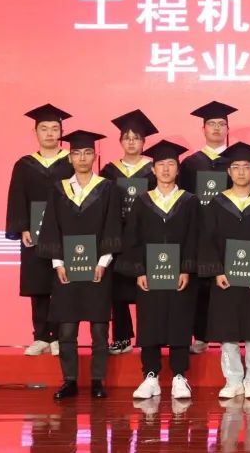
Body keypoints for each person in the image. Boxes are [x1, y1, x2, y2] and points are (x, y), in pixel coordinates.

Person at [37, 130, 122, 399]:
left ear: (95, 156)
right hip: (67, 269)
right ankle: (70, 381)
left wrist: (104, 262)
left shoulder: (107, 188)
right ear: (70, 158)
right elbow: (52, 226)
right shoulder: (58, 189)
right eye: (77, 153)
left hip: (98, 268)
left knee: (99, 329)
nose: (82, 158)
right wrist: (58, 263)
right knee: (66, 329)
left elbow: (112, 225)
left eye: (87, 153)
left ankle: (97, 381)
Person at [121, 140, 201, 400]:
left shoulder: (189, 201)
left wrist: (186, 268)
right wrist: (140, 270)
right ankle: (150, 376)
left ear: (178, 169)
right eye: (161, 165)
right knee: (150, 321)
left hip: (180, 274)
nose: (166, 169)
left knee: (180, 320)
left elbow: (194, 236)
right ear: (153, 170)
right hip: (150, 274)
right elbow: (132, 238)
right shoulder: (142, 202)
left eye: (171, 164)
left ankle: (179, 376)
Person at [198, 142, 250, 399]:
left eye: (246, 167)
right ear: (229, 172)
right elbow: (207, 240)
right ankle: (232, 380)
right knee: (227, 331)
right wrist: (217, 271)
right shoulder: (216, 204)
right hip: (226, 278)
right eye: (236, 167)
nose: (241, 172)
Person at [5, 103, 74, 356]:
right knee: (38, 283)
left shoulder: (71, 162)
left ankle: (59, 337)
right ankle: (41, 336)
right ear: (35, 132)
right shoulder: (24, 165)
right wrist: (22, 227)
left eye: (54, 128)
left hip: (65, 233)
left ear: (61, 132)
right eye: (44, 129)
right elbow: (17, 197)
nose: (49, 133)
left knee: (62, 282)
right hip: (34, 233)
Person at [180, 100, 239, 355]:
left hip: (228, 234)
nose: (216, 128)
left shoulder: (236, 161)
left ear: (227, 129)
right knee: (200, 287)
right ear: (203, 129)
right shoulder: (191, 163)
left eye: (221, 124)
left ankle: (230, 335)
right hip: (198, 232)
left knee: (228, 286)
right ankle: (201, 336)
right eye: (211, 124)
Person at [100, 109, 158, 356]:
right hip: (118, 236)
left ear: (144, 142)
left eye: (136, 138)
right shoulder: (109, 172)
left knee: (149, 288)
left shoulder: (155, 170)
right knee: (117, 290)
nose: (132, 142)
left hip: (147, 237)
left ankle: (151, 338)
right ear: (120, 141)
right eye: (127, 138)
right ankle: (122, 338)